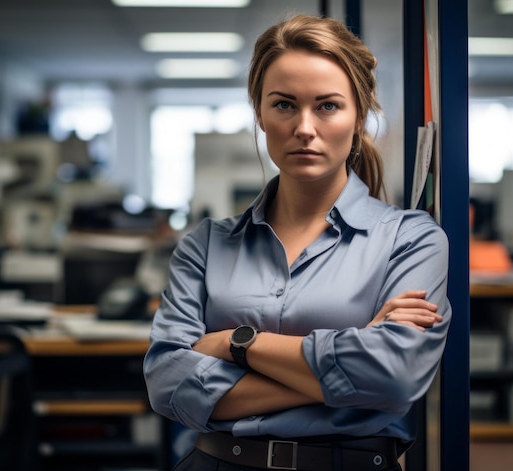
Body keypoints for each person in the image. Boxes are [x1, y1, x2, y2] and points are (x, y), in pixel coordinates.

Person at [143, 14, 451, 471]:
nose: (304, 127)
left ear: (359, 117)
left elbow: (395, 375)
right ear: (260, 114)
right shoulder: (205, 245)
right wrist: (348, 368)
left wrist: (235, 343)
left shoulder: (410, 240)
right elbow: (168, 384)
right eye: (284, 105)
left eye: (327, 106)